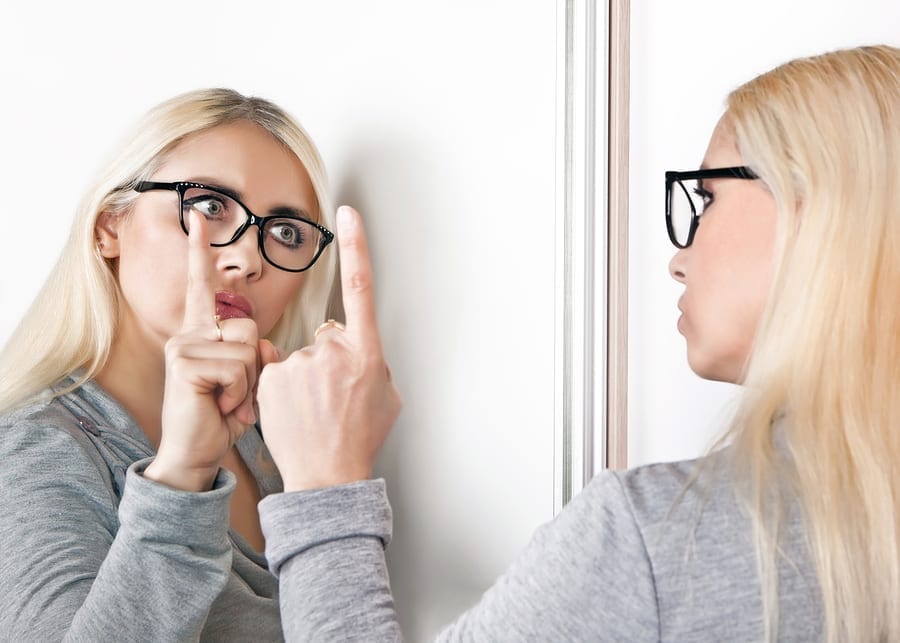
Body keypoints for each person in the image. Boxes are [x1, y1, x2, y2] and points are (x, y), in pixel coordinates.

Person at [254, 44, 900, 641]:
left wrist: (322, 488)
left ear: (817, 208)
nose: (679, 260)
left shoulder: (656, 539)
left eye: (705, 198)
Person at [0, 88, 350, 639]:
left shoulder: (274, 439)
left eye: (284, 232)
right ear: (109, 226)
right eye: (209, 206)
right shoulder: (28, 447)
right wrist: (182, 475)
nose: (247, 258)